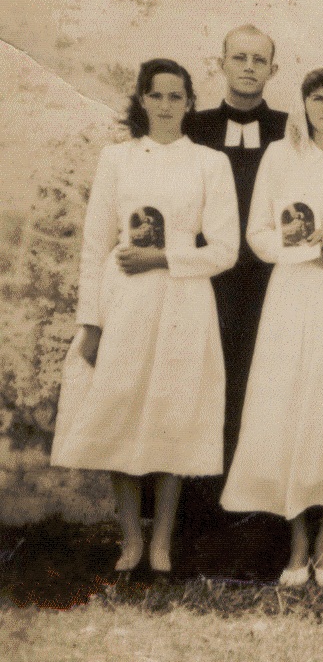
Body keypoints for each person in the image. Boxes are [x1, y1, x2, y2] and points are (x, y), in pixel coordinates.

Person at [51, 58, 239, 577]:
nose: (165, 105)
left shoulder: (208, 162)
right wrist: (90, 323)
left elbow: (225, 249)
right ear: (141, 100)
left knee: (171, 415)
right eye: (155, 96)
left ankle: (162, 542)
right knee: (121, 409)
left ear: (188, 103)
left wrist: (163, 259)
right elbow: (95, 246)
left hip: (182, 300)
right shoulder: (117, 159)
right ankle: (130, 538)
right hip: (126, 300)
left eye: (175, 96)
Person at [220, 67, 323, 586]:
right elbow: (259, 234)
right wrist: (313, 252)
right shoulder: (281, 155)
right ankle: (295, 542)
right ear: (305, 104)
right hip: (295, 295)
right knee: (291, 409)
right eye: (318, 97)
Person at [185, 25, 288, 476]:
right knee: (204, 377)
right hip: (208, 274)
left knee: (262, 381)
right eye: (240, 58)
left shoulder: (289, 129)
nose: (249, 68)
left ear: (273, 69)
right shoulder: (194, 126)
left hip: (270, 276)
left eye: (258, 60)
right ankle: (201, 503)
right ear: (221, 62)